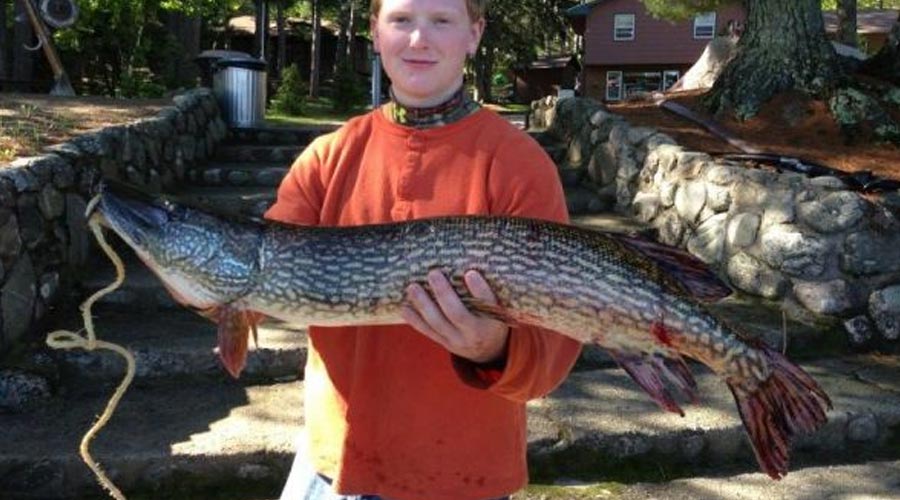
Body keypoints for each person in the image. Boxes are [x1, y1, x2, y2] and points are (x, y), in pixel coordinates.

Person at [265, 0, 582, 498]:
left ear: (474, 34)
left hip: (464, 475)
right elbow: (250, 279)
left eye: (441, 21)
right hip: (335, 465)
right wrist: (192, 277)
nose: (419, 39)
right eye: (401, 19)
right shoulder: (325, 159)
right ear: (374, 32)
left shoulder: (520, 165)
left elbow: (555, 345)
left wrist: (492, 349)